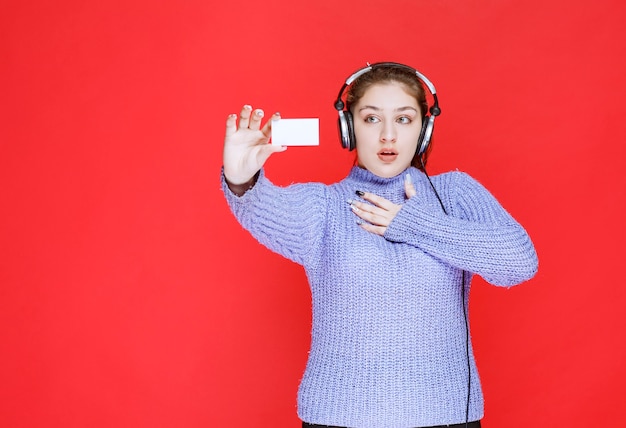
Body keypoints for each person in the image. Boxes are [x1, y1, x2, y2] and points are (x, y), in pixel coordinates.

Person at [220, 62, 538, 428]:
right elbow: (264, 208)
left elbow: (518, 261)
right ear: (349, 128)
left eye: (403, 119)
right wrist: (241, 179)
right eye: (371, 119)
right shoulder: (325, 206)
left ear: (424, 128)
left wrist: (412, 223)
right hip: (337, 419)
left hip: (445, 417)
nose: (388, 135)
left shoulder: (454, 194)